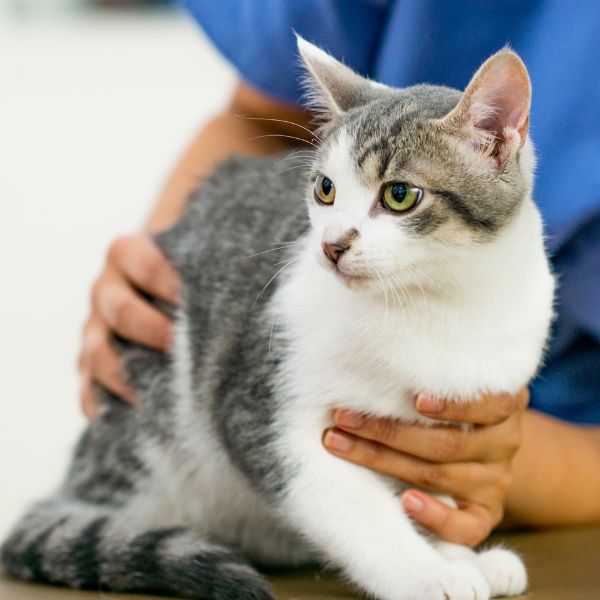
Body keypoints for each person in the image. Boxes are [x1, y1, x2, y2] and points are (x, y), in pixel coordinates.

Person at [78, 1, 600, 548]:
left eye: (398, 196)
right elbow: (258, 122)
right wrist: (156, 286)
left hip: (552, 488)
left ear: (498, 140)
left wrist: (496, 461)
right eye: (325, 193)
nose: (334, 241)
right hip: (241, 478)